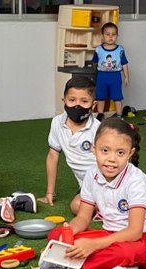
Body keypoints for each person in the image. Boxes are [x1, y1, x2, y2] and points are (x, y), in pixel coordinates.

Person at [49, 118, 146, 269]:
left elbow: (135, 231)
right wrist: (69, 231)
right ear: (94, 149)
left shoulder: (137, 181)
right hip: (108, 234)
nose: (111, 159)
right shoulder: (91, 174)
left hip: (139, 239)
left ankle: (74, 261)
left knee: (121, 253)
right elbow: (83, 217)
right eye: (105, 150)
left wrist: (94, 245)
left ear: (130, 153)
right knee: (56, 235)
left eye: (120, 153)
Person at [39, 76, 100, 214]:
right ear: (64, 101)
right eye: (72, 100)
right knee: (76, 206)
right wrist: (50, 192)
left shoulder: (99, 129)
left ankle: (130, 200)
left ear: (93, 104)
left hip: (107, 180)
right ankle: (116, 206)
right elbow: (53, 157)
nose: (77, 105)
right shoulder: (57, 123)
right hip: (87, 185)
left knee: (83, 206)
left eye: (84, 101)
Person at [92, 22, 129, 119]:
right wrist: (97, 72)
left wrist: (126, 77)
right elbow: (95, 62)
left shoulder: (120, 50)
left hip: (115, 76)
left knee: (117, 97)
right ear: (103, 36)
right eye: (107, 34)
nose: (110, 37)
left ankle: (119, 115)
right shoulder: (98, 49)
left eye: (113, 34)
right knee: (101, 96)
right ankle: (100, 114)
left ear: (117, 35)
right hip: (102, 76)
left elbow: (124, 63)